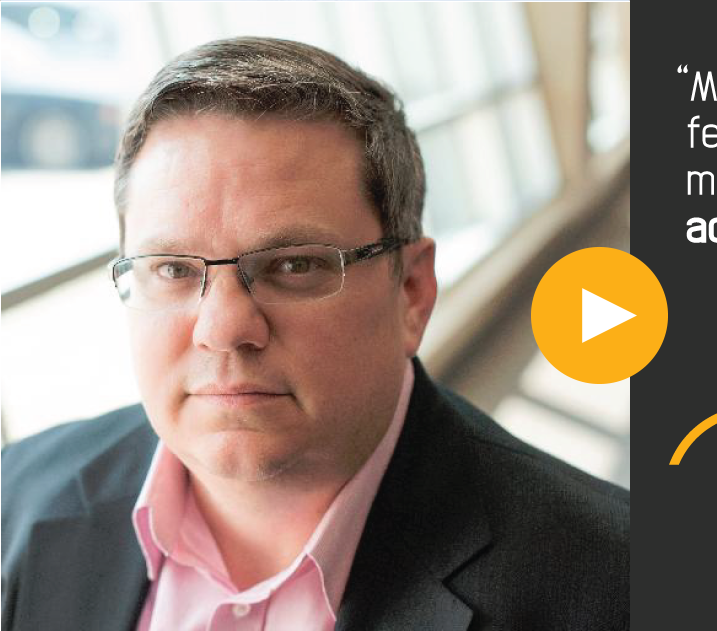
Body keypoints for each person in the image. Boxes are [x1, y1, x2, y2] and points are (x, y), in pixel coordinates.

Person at [1, 37, 629, 630]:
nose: (224, 330)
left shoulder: (616, 584)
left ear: (412, 292)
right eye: (172, 269)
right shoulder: (16, 497)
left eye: (294, 265)